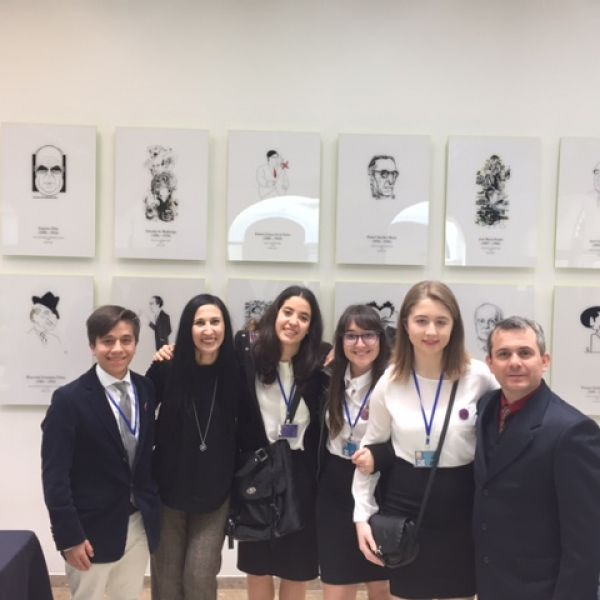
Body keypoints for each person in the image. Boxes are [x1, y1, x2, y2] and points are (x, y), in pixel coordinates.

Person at [352, 280, 497, 600]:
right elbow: (369, 454)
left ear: (454, 326)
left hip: (462, 508)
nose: (431, 331)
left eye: (441, 321)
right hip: (407, 512)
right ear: (405, 325)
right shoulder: (390, 382)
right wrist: (362, 516)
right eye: (421, 321)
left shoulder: (478, 377)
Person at [473, 316, 600, 600]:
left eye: (525, 353)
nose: (514, 362)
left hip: (540, 589)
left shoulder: (573, 431)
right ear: (490, 363)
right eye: (503, 354)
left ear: (544, 361)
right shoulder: (486, 407)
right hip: (491, 582)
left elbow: (585, 542)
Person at [41, 305, 160, 600]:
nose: (117, 349)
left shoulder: (146, 389)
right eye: (108, 341)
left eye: (126, 340)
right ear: (93, 346)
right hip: (89, 530)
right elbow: (55, 476)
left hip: (137, 523)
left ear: (136, 344)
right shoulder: (69, 400)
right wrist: (69, 536)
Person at [235, 285, 328, 600]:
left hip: (301, 475)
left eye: (303, 317)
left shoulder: (318, 365)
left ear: (310, 327)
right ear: (275, 314)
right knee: (258, 566)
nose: (293, 322)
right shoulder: (248, 356)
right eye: (288, 312)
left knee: (296, 567)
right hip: (259, 472)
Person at [147, 294, 239, 600]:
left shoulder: (237, 371)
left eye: (215, 322)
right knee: (167, 578)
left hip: (216, 494)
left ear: (225, 327)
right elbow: (140, 418)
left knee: (199, 576)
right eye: (200, 322)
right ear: (188, 328)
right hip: (168, 491)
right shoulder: (166, 368)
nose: (208, 330)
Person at [317, 304, 391, 600]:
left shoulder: (394, 382)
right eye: (351, 336)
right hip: (334, 489)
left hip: (381, 487)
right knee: (336, 587)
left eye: (368, 335)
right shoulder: (328, 377)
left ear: (381, 339)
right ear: (340, 341)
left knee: (382, 586)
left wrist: (379, 456)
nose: (360, 344)